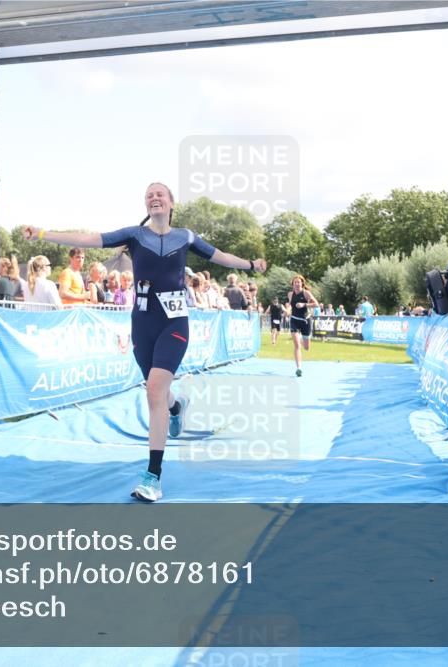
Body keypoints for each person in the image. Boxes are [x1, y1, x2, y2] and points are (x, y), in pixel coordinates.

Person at [22, 182, 266, 502]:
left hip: (174, 323)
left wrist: (250, 265)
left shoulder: (186, 237)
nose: (154, 197)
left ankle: (153, 476)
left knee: (153, 390)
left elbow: (220, 256)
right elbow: (89, 239)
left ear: (171, 203)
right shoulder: (134, 236)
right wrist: (43, 234)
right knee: (160, 394)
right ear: (146, 205)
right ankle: (177, 406)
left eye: (160, 194)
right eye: (149, 195)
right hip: (142, 324)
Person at [288, 275, 318, 377]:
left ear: (302, 284)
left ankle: (302, 340)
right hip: (294, 320)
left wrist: (304, 305)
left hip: (305, 321)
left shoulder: (306, 293)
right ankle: (299, 368)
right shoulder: (290, 294)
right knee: (296, 345)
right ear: (292, 284)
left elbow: (316, 304)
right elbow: (290, 306)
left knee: (306, 347)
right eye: (295, 282)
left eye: (298, 282)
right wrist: (287, 311)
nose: (297, 284)